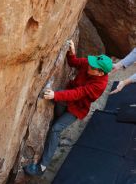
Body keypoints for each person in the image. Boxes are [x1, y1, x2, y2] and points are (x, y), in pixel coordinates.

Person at [23, 40, 113, 176]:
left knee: (55, 129)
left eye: (93, 66)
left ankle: (41, 167)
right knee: (56, 121)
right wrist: (72, 53)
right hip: (66, 99)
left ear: (100, 73)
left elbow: (78, 94)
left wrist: (55, 95)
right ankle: (54, 142)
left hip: (77, 108)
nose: (89, 65)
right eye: (91, 63)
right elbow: (74, 63)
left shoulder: (99, 85)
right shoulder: (90, 66)